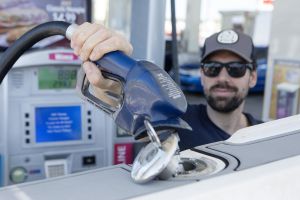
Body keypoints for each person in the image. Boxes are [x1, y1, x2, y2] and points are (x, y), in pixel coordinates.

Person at [70, 22, 263, 151]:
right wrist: (115, 80)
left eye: (236, 69)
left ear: (252, 77)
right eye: (212, 68)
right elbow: (137, 107)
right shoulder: (172, 119)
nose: (223, 77)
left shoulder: (270, 135)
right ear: (202, 75)